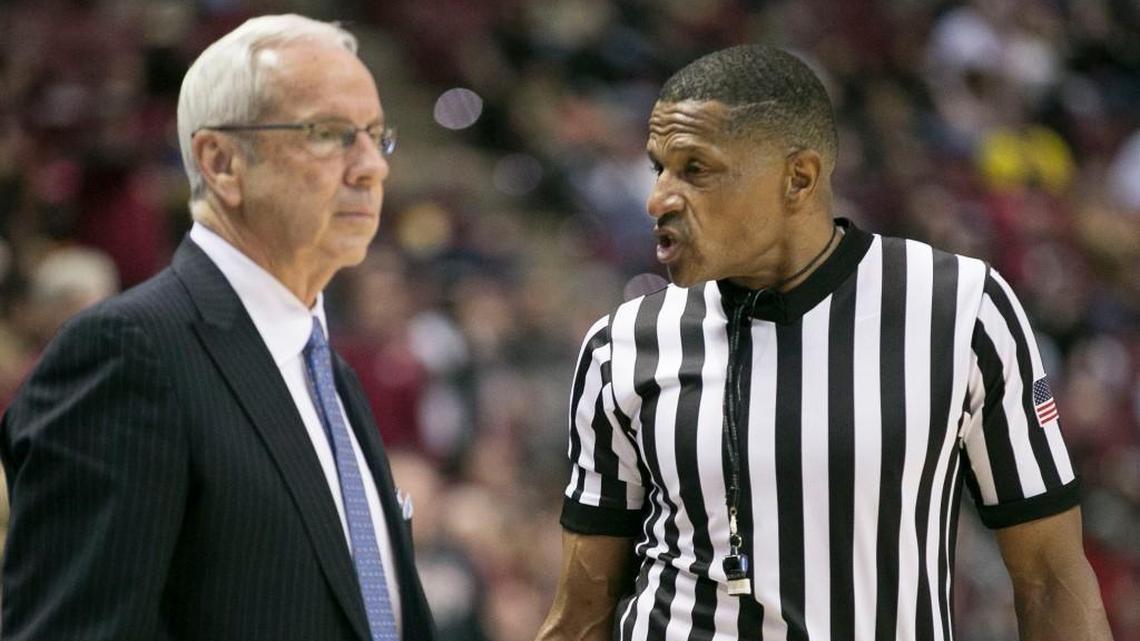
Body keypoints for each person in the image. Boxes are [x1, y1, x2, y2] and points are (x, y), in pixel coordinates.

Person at [535, 45, 1113, 641]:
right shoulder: (624, 343)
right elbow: (583, 609)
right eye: (659, 168)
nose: (658, 198)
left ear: (799, 178)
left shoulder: (961, 308)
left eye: (695, 170)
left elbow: (1049, 577)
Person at [0, 15, 435, 641]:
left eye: (375, 136)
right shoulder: (127, 355)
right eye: (331, 133)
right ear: (222, 161)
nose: (372, 167)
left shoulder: (331, 375)